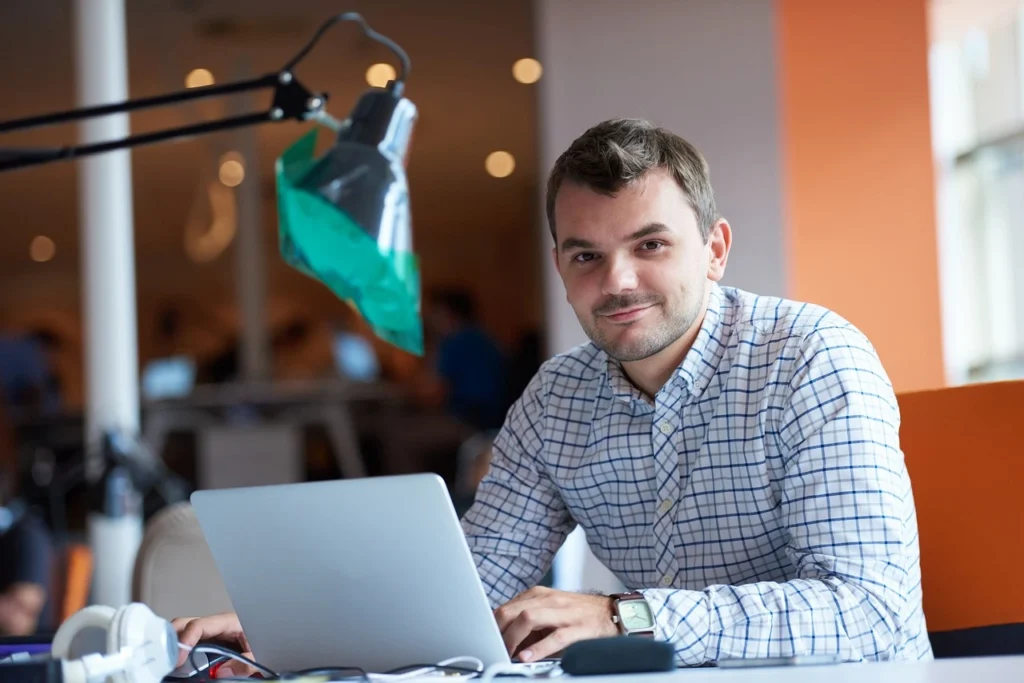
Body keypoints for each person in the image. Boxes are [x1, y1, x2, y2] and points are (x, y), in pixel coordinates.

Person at [172, 118, 931, 671]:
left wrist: (623, 616)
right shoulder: (558, 398)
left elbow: (868, 610)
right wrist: (284, 628)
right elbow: (467, 587)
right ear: (562, 266)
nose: (618, 281)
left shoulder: (812, 358)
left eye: (651, 245)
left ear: (717, 249)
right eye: (587, 255)